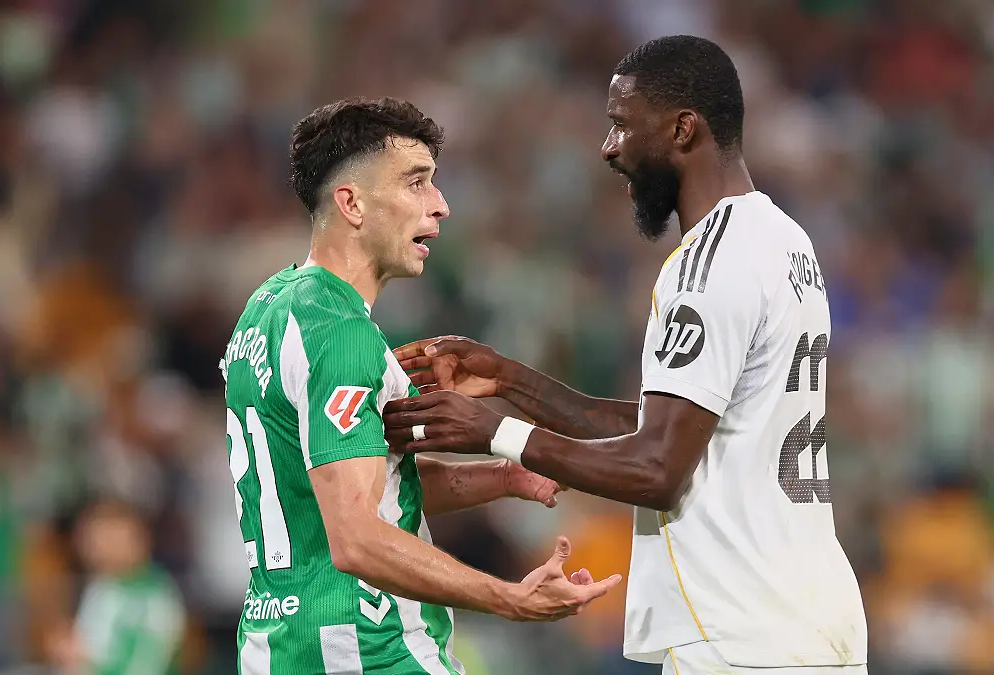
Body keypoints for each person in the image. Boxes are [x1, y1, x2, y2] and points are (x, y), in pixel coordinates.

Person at [382, 37, 869, 675]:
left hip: (741, 632)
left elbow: (657, 469)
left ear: (682, 129)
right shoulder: (782, 239)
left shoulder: (709, 264)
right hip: (799, 617)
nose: (610, 149)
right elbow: (672, 426)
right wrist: (510, 381)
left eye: (620, 125)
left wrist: (497, 433)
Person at [219, 98, 620, 675]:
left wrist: (501, 477)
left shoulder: (272, 304)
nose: (441, 204)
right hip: (363, 648)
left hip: (278, 644)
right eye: (417, 183)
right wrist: (509, 598)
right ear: (351, 203)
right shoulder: (339, 334)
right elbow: (355, 537)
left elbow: (344, 489)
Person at [48, 500, 186, 675]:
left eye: (109, 539)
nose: (99, 550)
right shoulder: (101, 587)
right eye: (92, 540)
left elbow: (143, 666)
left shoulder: (155, 599)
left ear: (138, 540)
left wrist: (83, 662)